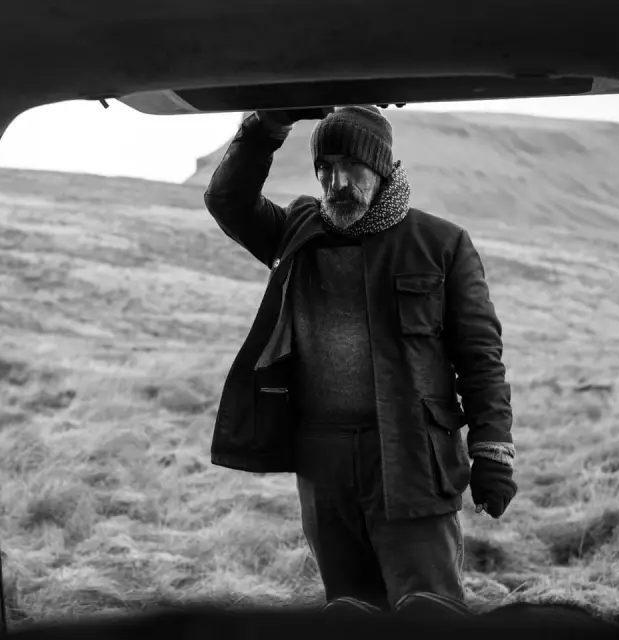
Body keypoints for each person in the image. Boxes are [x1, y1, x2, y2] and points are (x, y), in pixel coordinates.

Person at [203, 105, 517, 613]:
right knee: (348, 610)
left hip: (411, 457)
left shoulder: (440, 243)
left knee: (429, 609)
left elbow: (480, 357)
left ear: (384, 168)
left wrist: (492, 450)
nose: (336, 181)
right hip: (322, 461)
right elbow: (226, 199)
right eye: (325, 167)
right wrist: (266, 128)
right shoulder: (297, 230)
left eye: (351, 165)